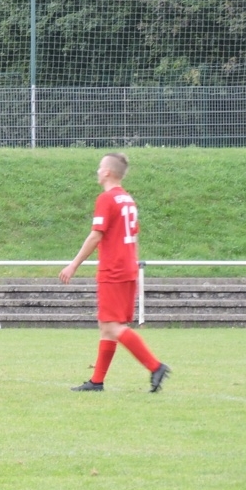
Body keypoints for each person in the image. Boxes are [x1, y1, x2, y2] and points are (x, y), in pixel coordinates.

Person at [59, 153, 170, 393]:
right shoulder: (128, 200)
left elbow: (96, 235)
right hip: (128, 267)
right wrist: (133, 266)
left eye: (100, 167)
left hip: (114, 269)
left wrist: (73, 264)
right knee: (107, 325)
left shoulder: (107, 199)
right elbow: (134, 237)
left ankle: (155, 366)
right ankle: (97, 381)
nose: (98, 171)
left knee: (113, 326)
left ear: (108, 172)